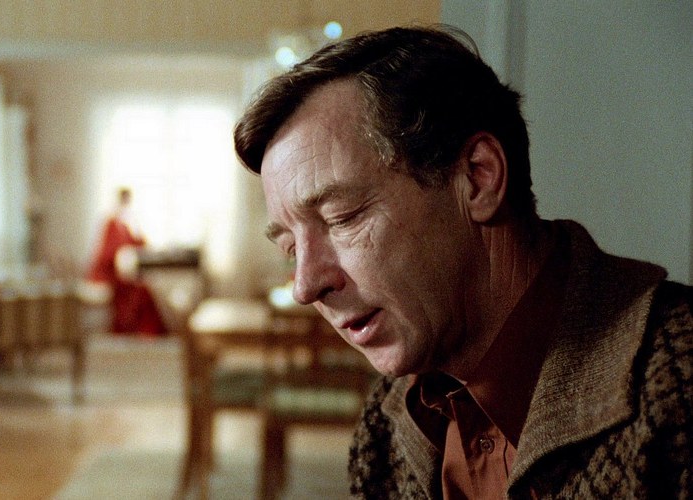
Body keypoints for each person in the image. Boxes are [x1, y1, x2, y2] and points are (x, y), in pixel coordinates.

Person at [233, 25, 692, 499]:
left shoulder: (678, 381)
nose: (305, 286)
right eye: (291, 247)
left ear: (478, 178)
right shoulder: (387, 423)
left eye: (342, 217)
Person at [88, 187, 166, 336]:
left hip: (121, 274)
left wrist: (137, 227)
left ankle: (148, 329)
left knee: (143, 289)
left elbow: (140, 244)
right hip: (108, 275)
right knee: (137, 290)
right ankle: (131, 327)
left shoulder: (125, 224)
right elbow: (108, 254)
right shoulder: (111, 223)